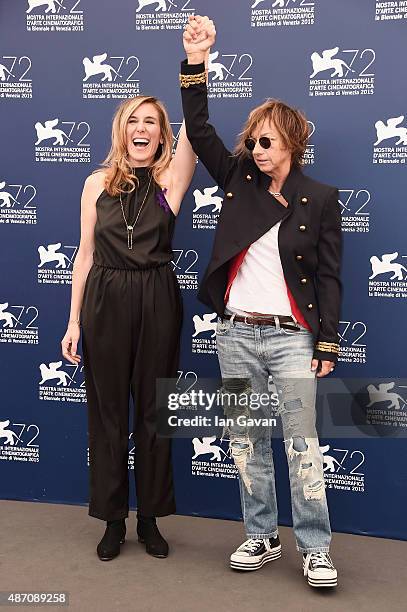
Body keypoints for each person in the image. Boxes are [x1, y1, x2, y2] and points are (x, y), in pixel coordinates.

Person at [180, 16, 342, 588]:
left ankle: (316, 548)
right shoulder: (238, 180)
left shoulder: (319, 199)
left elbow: (328, 276)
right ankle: (263, 536)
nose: (256, 148)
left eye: (266, 140)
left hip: (292, 336)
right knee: (246, 442)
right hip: (237, 333)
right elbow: (198, 130)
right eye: (252, 140)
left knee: (302, 443)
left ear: (293, 142)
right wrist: (196, 60)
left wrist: (326, 340)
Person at [61, 96, 197, 561]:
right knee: (108, 414)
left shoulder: (170, 180)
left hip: (157, 295)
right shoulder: (95, 183)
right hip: (105, 298)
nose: (142, 130)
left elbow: (196, 130)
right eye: (133, 121)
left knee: (154, 412)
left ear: (163, 134)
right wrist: (74, 320)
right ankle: (114, 520)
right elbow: (85, 255)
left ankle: (150, 519)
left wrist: (195, 63)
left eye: (152, 123)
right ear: (122, 130)